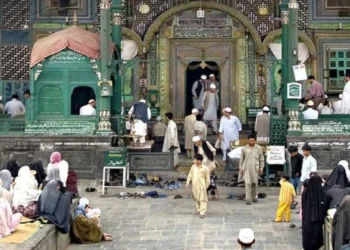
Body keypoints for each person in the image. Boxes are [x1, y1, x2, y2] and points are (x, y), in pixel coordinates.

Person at [239, 135, 265, 205]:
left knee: (254, 183)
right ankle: (248, 199)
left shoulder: (258, 148)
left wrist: (261, 167)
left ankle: (254, 197)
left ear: (255, 141)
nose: (252, 142)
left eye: (253, 141)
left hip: (255, 168)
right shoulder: (244, 149)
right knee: (247, 183)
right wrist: (241, 168)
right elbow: (241, 159)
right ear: (248, 141)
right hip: (246, 168)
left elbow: (261, 158)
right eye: (250, 141)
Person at [302, 175, 325, 250]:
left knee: (308, 236)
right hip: (317, 219)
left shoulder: (305, 192)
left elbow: (303, 205)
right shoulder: (321, 193)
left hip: (307, 218)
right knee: (316, 236)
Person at [186, 154, 210, 219]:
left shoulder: (205, 168)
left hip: (202, 186)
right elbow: (190, 175)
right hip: (195, 186)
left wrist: (206, 186)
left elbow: (207, 178)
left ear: (199, 161)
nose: (193, 161)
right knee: (197, 198)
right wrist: (188, 182)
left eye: (195, 159)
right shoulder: (193, 167)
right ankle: (198, 209)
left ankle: (202, 212)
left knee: (202, 199)